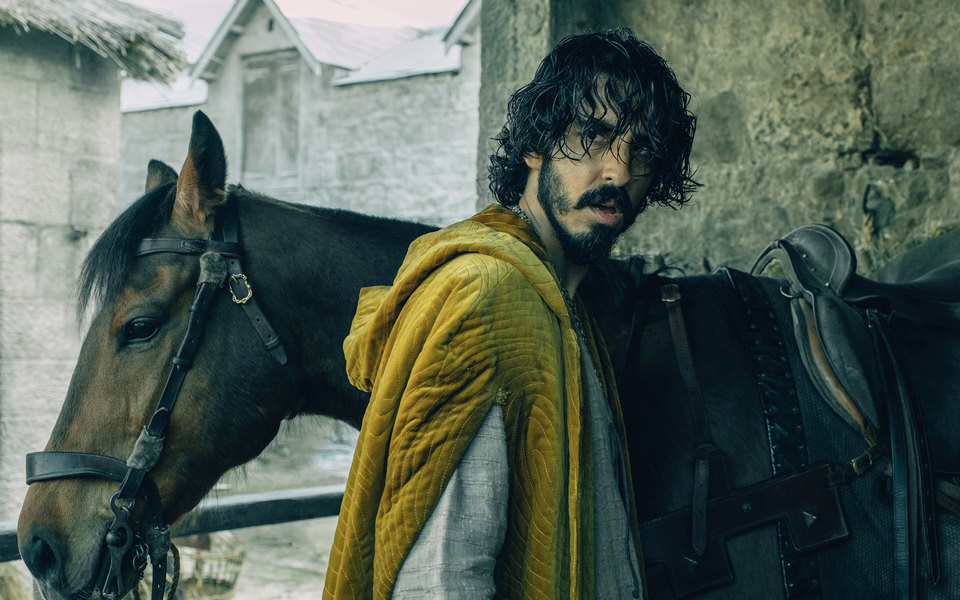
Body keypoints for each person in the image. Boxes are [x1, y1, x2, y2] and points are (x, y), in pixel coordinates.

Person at [324, 27, 698, 599]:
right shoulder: (487, 296)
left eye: (641, 149)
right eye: (594, 136)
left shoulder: (559, 304)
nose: (619, 172)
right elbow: (440, 581)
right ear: (535, 145)